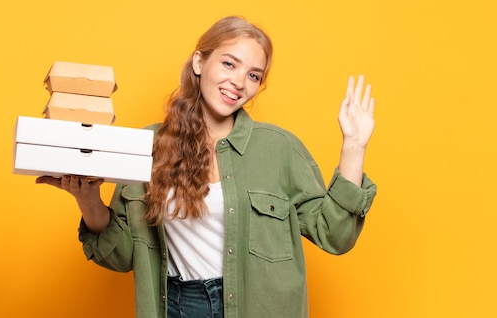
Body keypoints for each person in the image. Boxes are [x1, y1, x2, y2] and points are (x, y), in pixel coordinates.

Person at [36, 15, 377, 318]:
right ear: (200, 61)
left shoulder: (280, 149)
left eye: (253, 75)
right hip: (176, 305)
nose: (240, 82)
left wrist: (354, 146)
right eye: (229, 64)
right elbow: (124, 255)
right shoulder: (148, 146)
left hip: (257, 307)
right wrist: (88, 199)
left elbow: (336, 235)